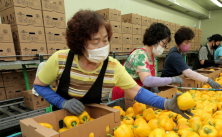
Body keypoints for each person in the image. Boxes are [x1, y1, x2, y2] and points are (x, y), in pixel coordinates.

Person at [33, 10, 192, 119]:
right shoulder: (60, 59)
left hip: (92, 118)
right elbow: (39, 85)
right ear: (78, 42)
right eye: (96, 41)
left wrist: (165, 103)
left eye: (105, 40)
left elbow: (137, 92)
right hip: (61, 117)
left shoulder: (112, 67)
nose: (103, 46)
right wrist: (62, 102)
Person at [111, 23, 183, 101]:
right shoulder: (140, 55)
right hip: (124, 94)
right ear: (156, 39)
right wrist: (172, 80)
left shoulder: (152, 58)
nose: (164, 47)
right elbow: (147, 80)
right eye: (164, 44)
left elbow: (151, 79)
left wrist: (154, 87)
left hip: (136, 92)